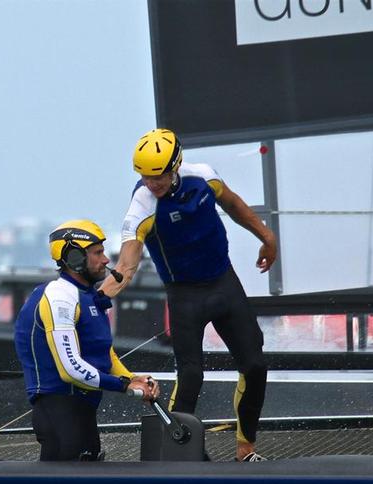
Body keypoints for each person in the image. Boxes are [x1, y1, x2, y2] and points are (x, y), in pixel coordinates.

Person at [100, 128, 277, 462]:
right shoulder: (142, 206)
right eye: (145, 176)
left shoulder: (203, 177)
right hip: (185, 297)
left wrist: (267, 237)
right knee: (191, 375)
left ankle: (245, 449)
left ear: (176, 165)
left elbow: (236, 205)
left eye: (159, 176)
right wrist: (98, 298)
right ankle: (179, 457)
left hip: (224, 284)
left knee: (255, 365)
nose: (152, 183)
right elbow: (127, 263)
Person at [15, 220, 158, 461]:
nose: (105, 260)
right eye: (98, 253)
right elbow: (69, 369)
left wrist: (131, 377)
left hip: (82, 410)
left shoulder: (89, 296)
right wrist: (124, 386)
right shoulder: (59, 297)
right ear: (74, 258)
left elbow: (103, 351)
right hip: (59, 411)